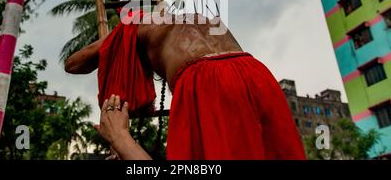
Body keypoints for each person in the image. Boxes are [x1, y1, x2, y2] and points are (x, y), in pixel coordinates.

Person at [65, 12, 306, 160]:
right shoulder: (198, 18)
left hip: (204, 79)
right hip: (256, 73)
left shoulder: (138, 26)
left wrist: (120, 138)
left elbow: (73, 63)